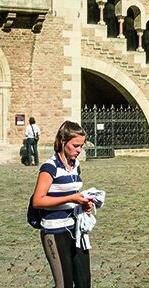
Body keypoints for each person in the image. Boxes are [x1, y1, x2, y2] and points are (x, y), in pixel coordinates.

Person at [32, 121, 95, 288]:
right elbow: (38, 201)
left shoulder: (76, 165)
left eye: (81, 146)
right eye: (75, 145)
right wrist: (71, 198)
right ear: (62, 142)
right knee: (64, 285)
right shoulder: (50, 167)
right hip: (55, 231)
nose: (79, 150)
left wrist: (84, 203)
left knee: (84, 283)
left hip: (76, 230)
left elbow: (73, 193)